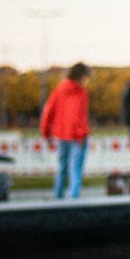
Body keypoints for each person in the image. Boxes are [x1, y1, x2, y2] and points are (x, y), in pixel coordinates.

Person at [41, 62, 91, 199]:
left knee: (62, 169)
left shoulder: (59, 90)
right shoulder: (80, 92)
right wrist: (81, 134)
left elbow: (48, 112)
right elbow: (79, 115)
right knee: (76, 171)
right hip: (77, 137)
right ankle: (73, 201)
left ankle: (58, 198)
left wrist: (46, 133)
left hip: (61, 135)